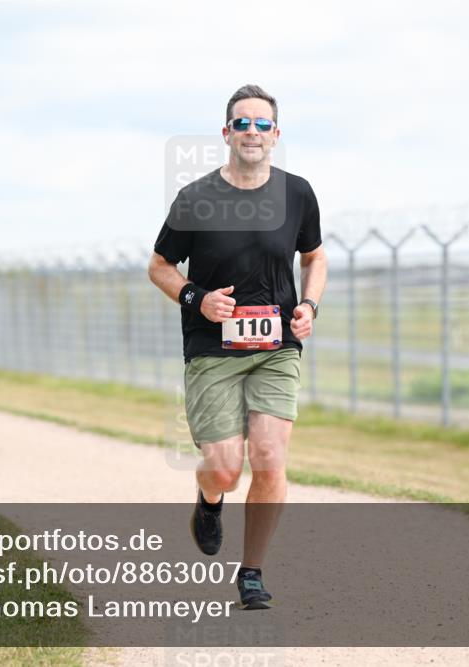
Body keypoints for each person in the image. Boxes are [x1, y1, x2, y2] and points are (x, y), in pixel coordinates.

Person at [148, 85, 327, 609]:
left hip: (277, 346)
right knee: (225, 467)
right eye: (242, 124)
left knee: (270, 456)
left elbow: (315, 257)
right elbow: (158, 266)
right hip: (212, 350)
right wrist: (195, 298)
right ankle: (209, 499)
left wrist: (309, 307)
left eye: (262, 124)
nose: (253, 132)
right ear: (227, 133)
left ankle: (252, 572)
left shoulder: (297, 193)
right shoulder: (195, 198)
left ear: (276, 134)